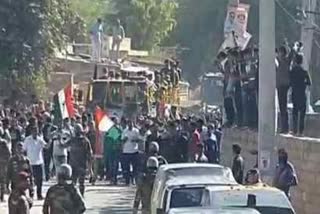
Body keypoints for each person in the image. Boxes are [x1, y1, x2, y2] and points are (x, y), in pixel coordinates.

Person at [66, 124, 93, 196]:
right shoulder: (85, 140)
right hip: (80, 165)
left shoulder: (73, 140)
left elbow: (63, 145)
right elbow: (90, 155)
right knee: (81, 183)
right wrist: (90, 169)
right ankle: (81, 196)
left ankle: (75, 197)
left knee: (74, 183)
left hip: (74, 165)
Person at [290, 54, 311, 136]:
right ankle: (301, 132)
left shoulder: (292, 72)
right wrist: (303, 83)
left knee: (295, 112)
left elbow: (290, 82)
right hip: (302, 94)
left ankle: (294, 130)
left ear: (295, 61)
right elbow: (309, 83)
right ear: (302, 61)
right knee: (302, 114)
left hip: (295, 93)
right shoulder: (304, 72)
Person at [23, 126, 47, 200]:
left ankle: (39, 194)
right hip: (30, 163)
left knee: (39, 180)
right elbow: (24, 150)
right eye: (34, 131)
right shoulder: (27, 139)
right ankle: (31, 194)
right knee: (30, 180)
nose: (35, 133)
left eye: (36, 131)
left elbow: (46, 146)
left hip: (39, 162)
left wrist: (51, 140)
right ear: (31, 132)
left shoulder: (40, 139)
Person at [276, 46, 293, 133]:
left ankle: (285, 128)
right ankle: (283, 127)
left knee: (284, 106)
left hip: (284, 86)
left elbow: (291, 55)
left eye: (279, 52)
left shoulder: (286, 61)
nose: (278, 54)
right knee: (281, 107)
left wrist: (293, 48)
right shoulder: (277, 62)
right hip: (279, 86)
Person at [121, 120, 141, 185]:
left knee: (135, 167)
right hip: (126, 151)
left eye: (131, 124)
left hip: (134, 151)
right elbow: (122, 141)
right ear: (127, 124)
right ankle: (127, 181)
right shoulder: (124, 131)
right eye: (129, 124)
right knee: (126, 167)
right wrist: (125, 139)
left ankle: (134, 180)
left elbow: (139, 140)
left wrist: (135, 140)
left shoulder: (136, 131)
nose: (130, 125)